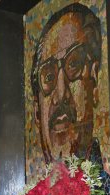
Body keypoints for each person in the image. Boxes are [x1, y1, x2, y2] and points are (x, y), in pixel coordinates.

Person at [30, 3, 102, 163]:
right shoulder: (36, 188)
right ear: (37, 112)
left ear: (95, 83)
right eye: (48, 77)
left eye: (74, 64)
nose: (61, 93)